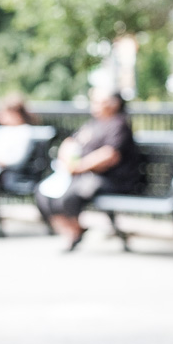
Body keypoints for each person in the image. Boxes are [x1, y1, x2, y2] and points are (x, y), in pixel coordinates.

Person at [37, 89, 142, 250]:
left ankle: (74, 233)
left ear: (114, 104)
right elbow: (71, 141)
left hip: (112, 179)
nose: (95, 106)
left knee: (71, 194)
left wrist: (79, 167)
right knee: (44, 193)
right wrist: (66, 159)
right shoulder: (92, 124)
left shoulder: (118, 124)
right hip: (84, 176)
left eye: (100, 102)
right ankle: (72, 230)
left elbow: (109, 155)